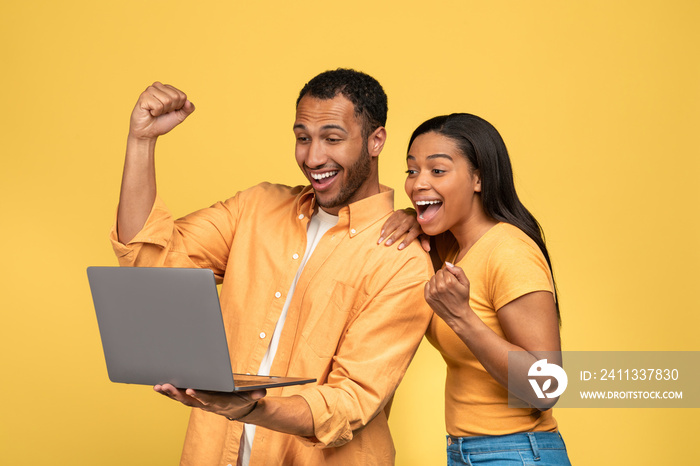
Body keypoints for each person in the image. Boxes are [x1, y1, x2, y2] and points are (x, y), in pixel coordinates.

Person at [110, 69, 433, 465]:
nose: (313, 158)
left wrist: (249, 409)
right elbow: (150, 263)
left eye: (332, 139)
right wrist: (141, 141)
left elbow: (350, 401)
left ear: (375, 140)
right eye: (303, 138)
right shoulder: (256, 209)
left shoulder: (403, 261)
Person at [380, 113, 572, 465]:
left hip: (516, 453)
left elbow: (548, 388)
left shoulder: (509, 251)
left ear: (478, 179)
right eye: (412, 170)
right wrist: (413, 216)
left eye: (437, 171)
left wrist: (462, 317)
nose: (418, 183)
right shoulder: (451, 248)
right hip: (468, 452)